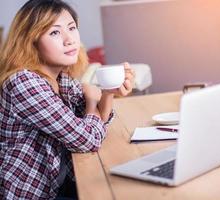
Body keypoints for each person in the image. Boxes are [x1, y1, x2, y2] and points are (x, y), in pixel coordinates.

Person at [0, 0, 134, 199]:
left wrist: (107, 93)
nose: (69, 39)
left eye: (72, 28)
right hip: (32, 193)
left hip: (60, 183)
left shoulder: (60, 78)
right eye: (55, 32)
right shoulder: (24, 82)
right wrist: (91, 102)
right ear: (31, 41)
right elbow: (87, 139)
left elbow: (95, 122)